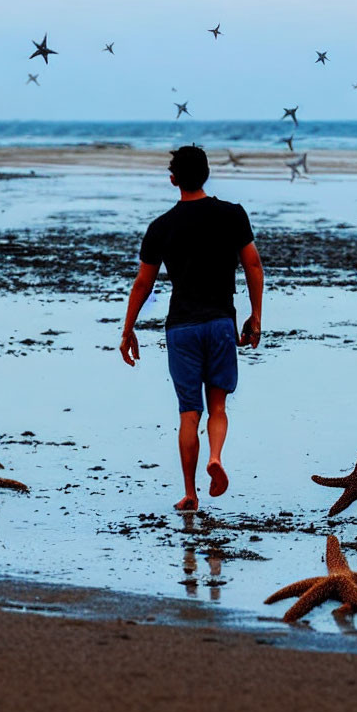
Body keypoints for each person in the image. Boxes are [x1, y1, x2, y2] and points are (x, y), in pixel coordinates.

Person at [119, 145, 263, 511]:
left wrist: (128, 329)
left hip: (181, 326)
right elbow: (254, 266)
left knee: (188, 412)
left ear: (173, 180)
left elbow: (142, 284)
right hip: (219, 323)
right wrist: (256, 316)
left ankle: (190, 493)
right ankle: (216, 456)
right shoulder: (232, 214)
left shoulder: (161, 227)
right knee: (217, 406)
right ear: (207, 174)